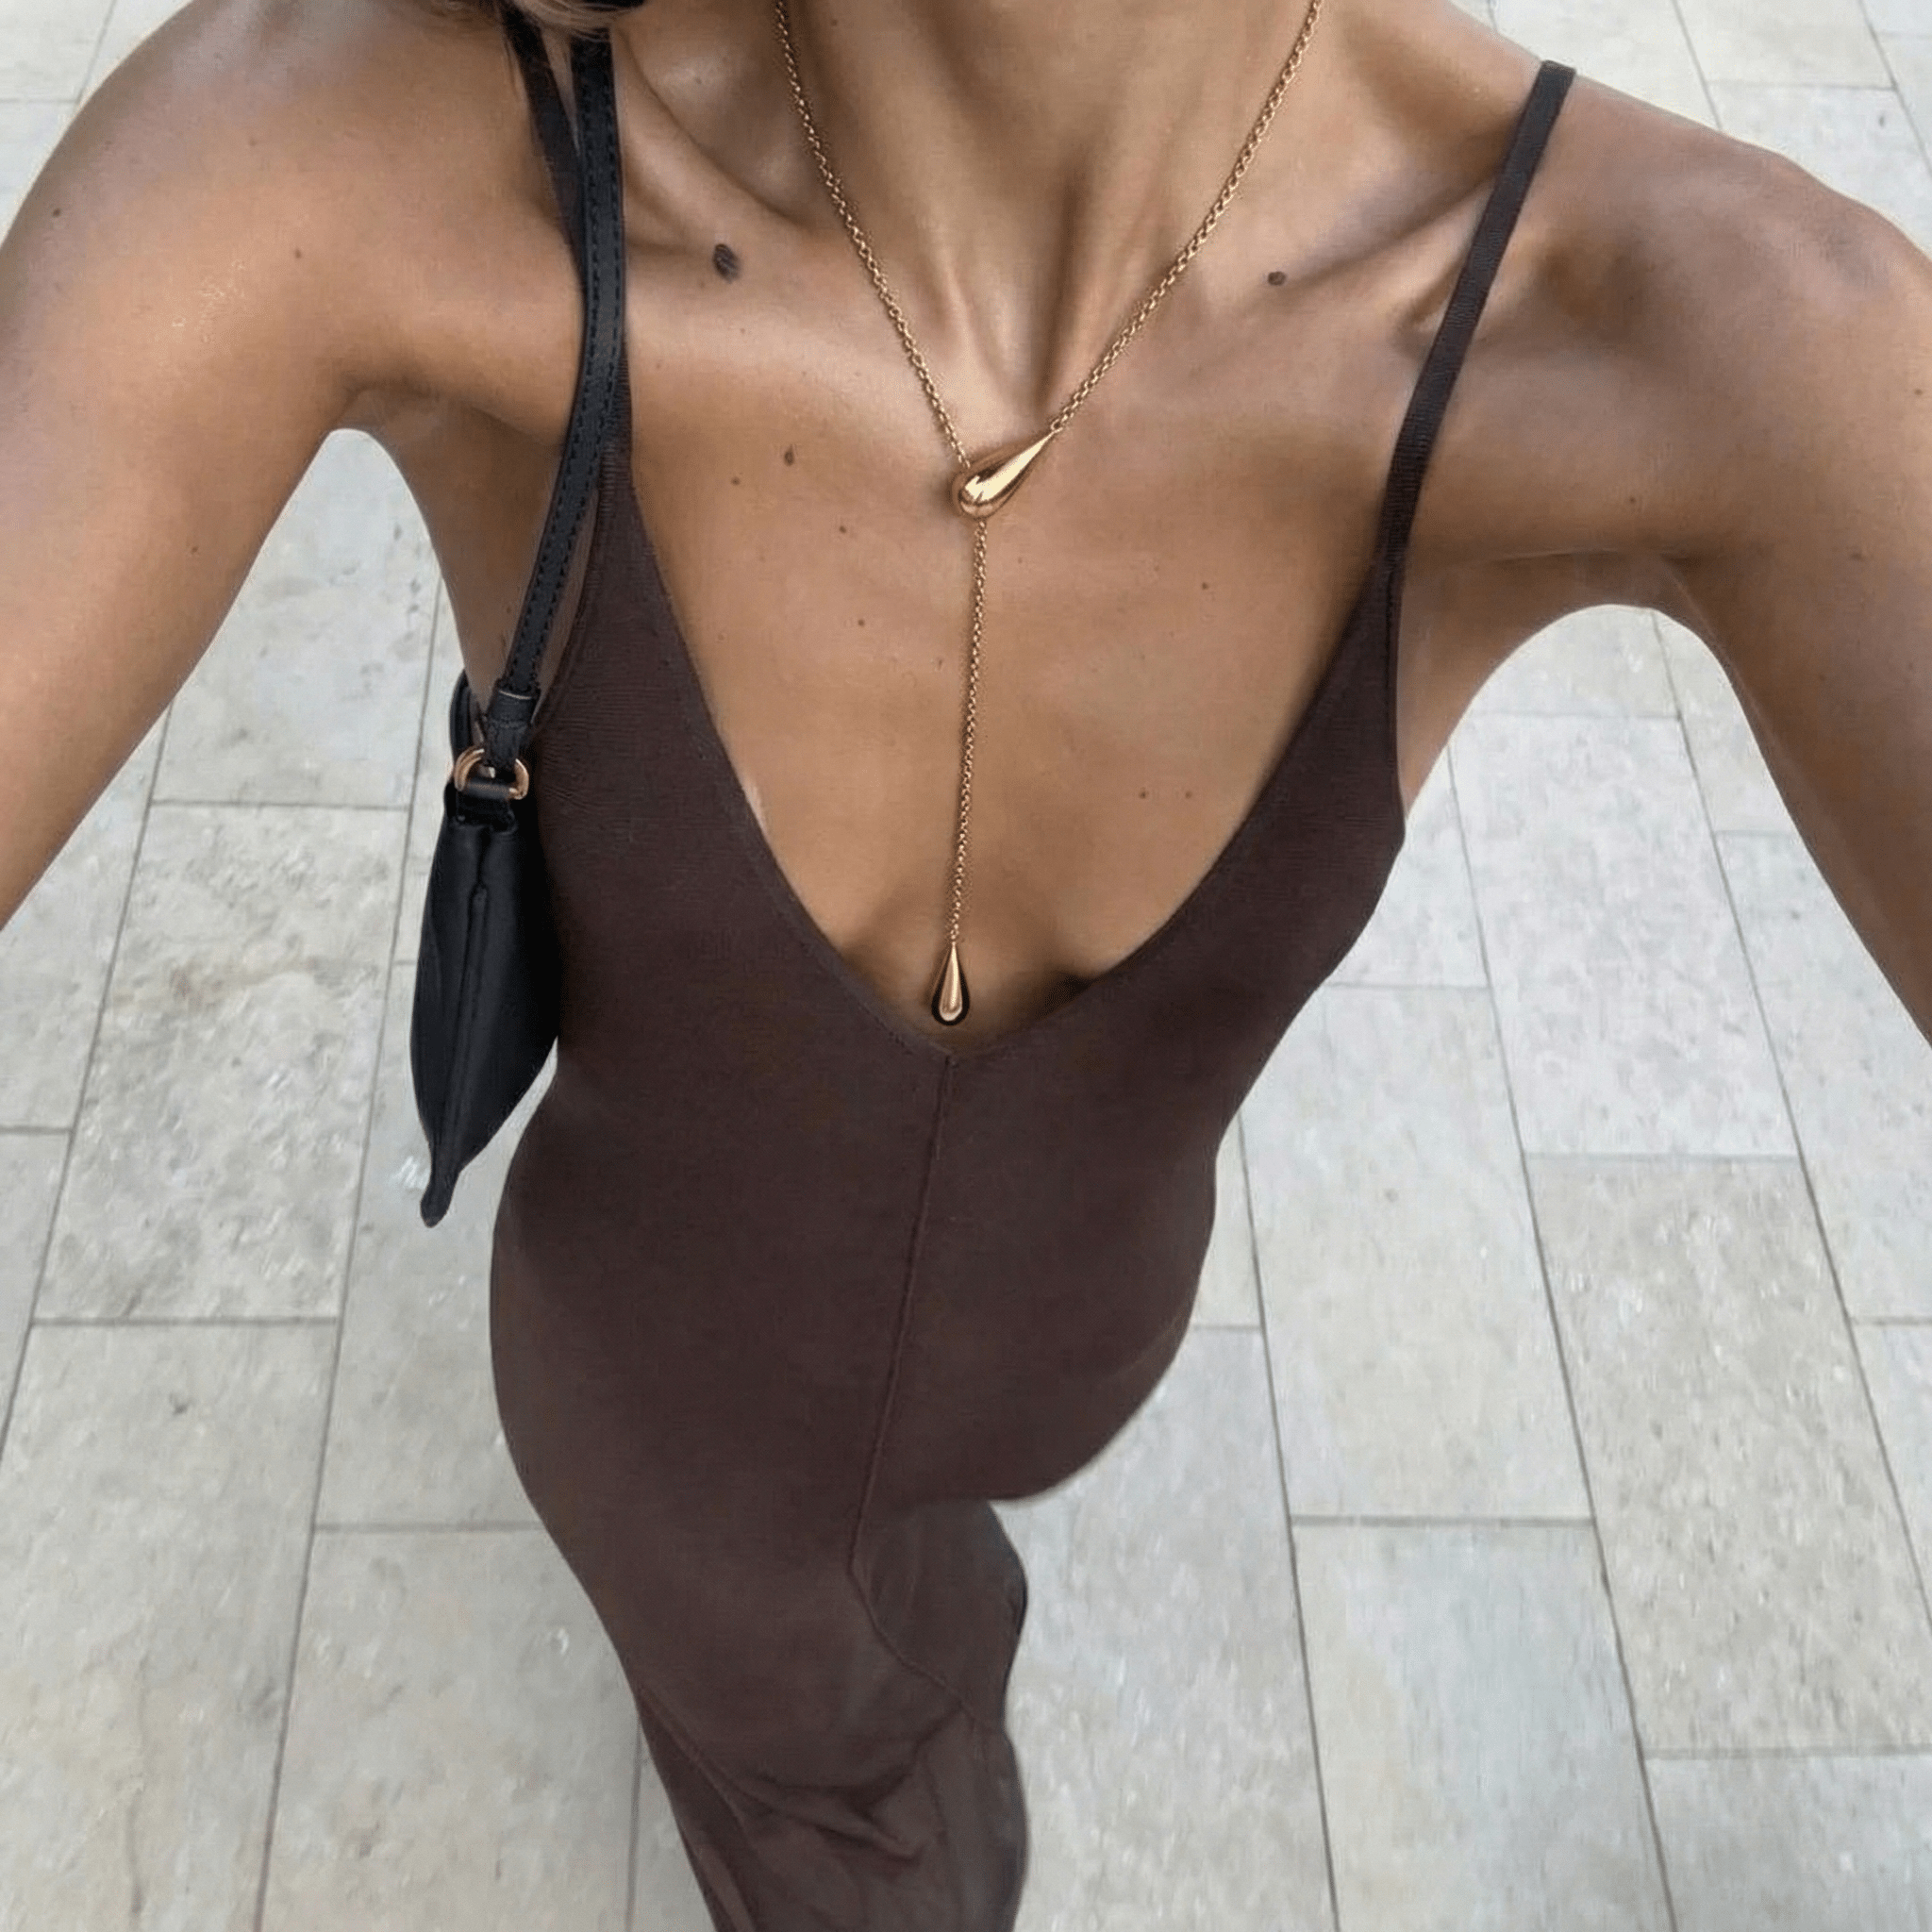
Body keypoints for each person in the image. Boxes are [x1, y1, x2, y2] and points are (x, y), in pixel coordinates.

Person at [1, 0, 1927, 1925]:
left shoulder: (1731, 343)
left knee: (908, 1645)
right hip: (668, 1446)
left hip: (1063, 1356)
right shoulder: (345, 162)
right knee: (844, 1815)